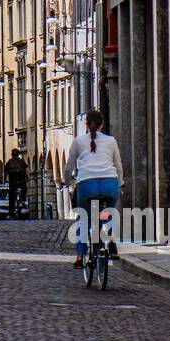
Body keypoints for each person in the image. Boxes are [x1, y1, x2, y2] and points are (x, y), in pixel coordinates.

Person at [62, 109, 124, 269]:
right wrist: (121, 182)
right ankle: (110, 241)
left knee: (84, 219)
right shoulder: (111, 141)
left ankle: (80, 255)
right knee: (108, 214)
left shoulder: (78, 141)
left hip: (86, 184)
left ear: (86, 124)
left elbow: (69, 166)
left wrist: (67, 181)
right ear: (102, 124)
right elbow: (118, 165)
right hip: (109, 184)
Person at [5, 148, 28, 220]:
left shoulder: (9, 162)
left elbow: (6, 172)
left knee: (11, 197)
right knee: (24, 188)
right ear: (18, 154)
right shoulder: (21, 161)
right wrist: (28, 177)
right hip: (21, 179)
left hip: (12, 180)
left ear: (12, 154)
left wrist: (7, 179)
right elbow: (26, 170)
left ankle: (11, 213)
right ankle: (23, 200)